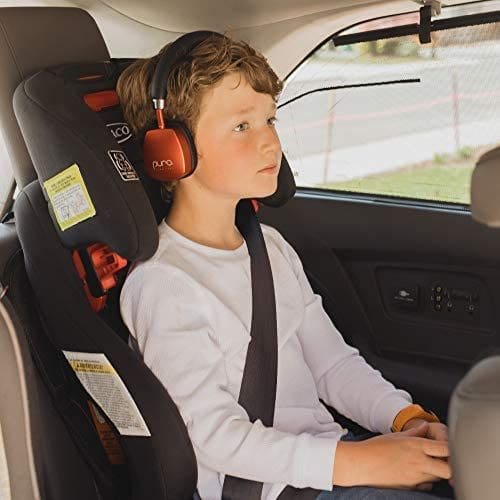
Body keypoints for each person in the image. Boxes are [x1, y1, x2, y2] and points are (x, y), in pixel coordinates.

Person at [118, 33, 454, 500]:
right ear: (172, 149)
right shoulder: (163, 284)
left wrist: (405, 420)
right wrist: (357, 462)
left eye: (270, 120)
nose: (271, 142)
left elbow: (332, 365)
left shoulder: (269, 247)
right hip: (271, 490)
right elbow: (214, 437)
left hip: (326, 463)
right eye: (242, 126)